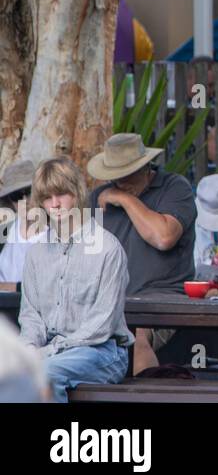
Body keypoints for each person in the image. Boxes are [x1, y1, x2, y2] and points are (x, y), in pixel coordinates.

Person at [19, 158, 133, 402]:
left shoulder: (108, 248)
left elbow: (100, 326)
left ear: (78, 193)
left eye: (62, 194)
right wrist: (29, 349)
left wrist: (48, 352)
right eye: (47, 198)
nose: (55, 204)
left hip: (102, 352)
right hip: (50, 351)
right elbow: (31, 315)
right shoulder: (35, 254)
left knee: (45, 374)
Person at [88, 133, 197, 373]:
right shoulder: (98, 198)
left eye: (128, 174)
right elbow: (88, 253)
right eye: (115, 177)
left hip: (161, 296)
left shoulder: (175, 187)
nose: (120, 181)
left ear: (146, 166)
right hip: (111, 297)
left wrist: (125, 199)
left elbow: (163, 237)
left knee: (138, 335)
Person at [0, 159, 41, 289]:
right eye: (16, 195)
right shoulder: (5, 230)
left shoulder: (56, 232)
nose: (24, 201)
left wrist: (13, 287)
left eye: (29, 191)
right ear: (10, 200)